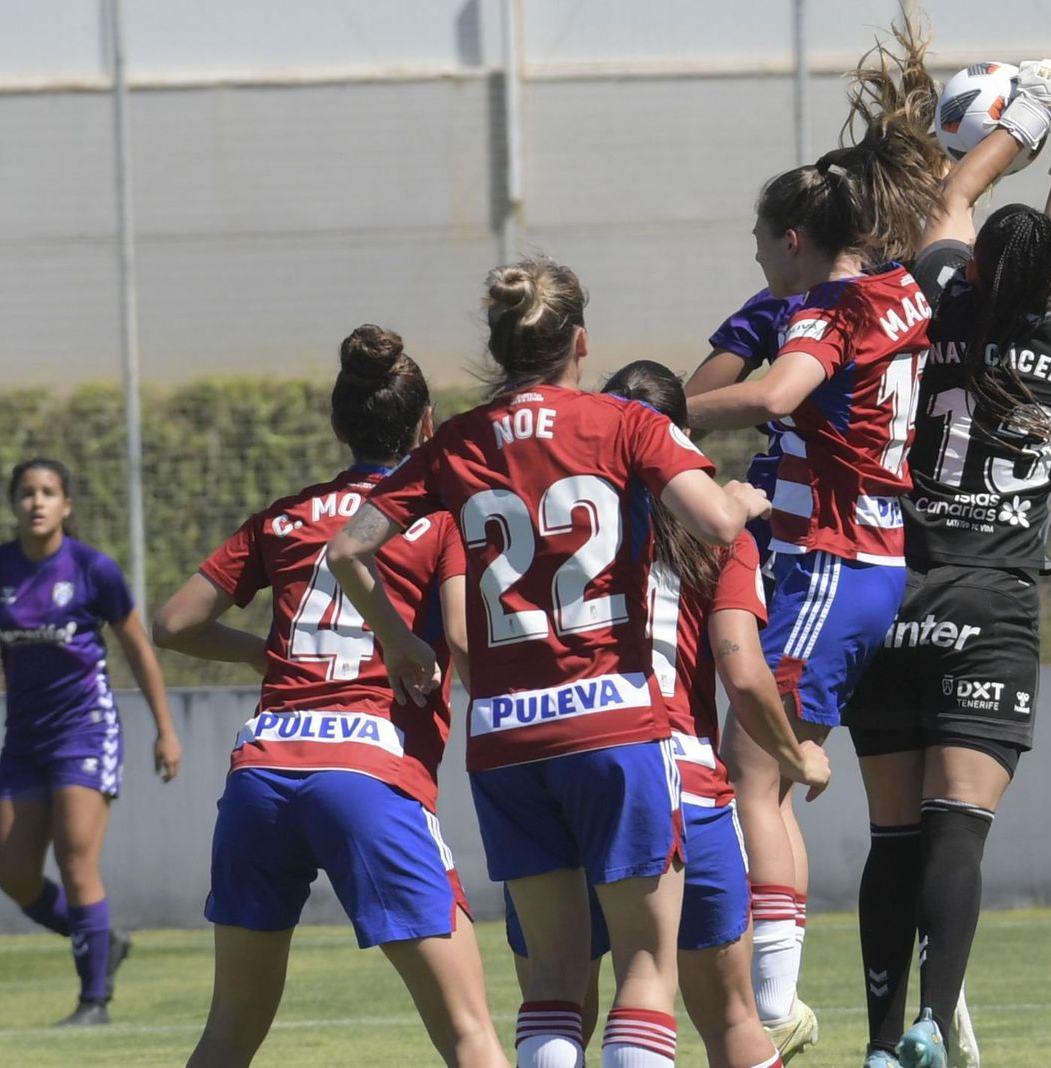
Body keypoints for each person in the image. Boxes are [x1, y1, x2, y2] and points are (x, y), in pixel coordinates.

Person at [325, 258, 777, 1068]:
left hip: (504, 739)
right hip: (613, 723)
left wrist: (400, 642)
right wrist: (742, 502)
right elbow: (711, 525)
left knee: (555, 984)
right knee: (646, 965)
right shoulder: (622, 422)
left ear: (500, 346)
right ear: (579, 341)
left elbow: (348, 549)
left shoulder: (458, 442)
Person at [841, 59, 1051, 1068]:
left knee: (892, 837)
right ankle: (930, 1014)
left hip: (896, 588)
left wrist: (1030, 121)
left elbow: (955, 195)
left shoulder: (930, 307)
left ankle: (876, 1040)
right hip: (991, 601)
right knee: (959, 827)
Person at [682, 22, 946, 1056]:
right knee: (767, 775)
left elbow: (784, 391)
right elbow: (951, 210)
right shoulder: (904, 289)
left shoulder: (822, 310)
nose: (756, 263)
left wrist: (661, 422)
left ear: (793, 240)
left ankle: (779, 999)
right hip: (860, 562)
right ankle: (784, 993)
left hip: (833, 565)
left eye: (760, 246)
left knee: (755, 777)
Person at [154, 326, 507, 1067]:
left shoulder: (282, 519)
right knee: (471, 1033)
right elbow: (464, 644)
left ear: (339, 426)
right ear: (427, 425)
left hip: (262, 769)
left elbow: (174, 623)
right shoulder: (435, 518)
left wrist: (269, 656)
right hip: (367, 770)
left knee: (228, 1032)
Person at [502, 360, 830, 1068]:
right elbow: (743, 670)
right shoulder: (718, 533)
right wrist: (797, 753)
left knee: (556, 999)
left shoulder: (547, 524)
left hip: (554, 766)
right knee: (730, 1018)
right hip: (675, 774)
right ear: (676, 438)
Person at [0, 457, 181, 1026]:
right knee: (13, 872)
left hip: (85, 730)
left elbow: (136, 647)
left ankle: (93, 999)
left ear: (66, 505)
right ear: (13, 503)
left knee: (77, 860)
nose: (36, 501)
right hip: (24, 739)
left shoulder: (91, 568)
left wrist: (165, 730)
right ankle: (105, 941)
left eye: (48, 491)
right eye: (26, 492)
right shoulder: (1, 567)